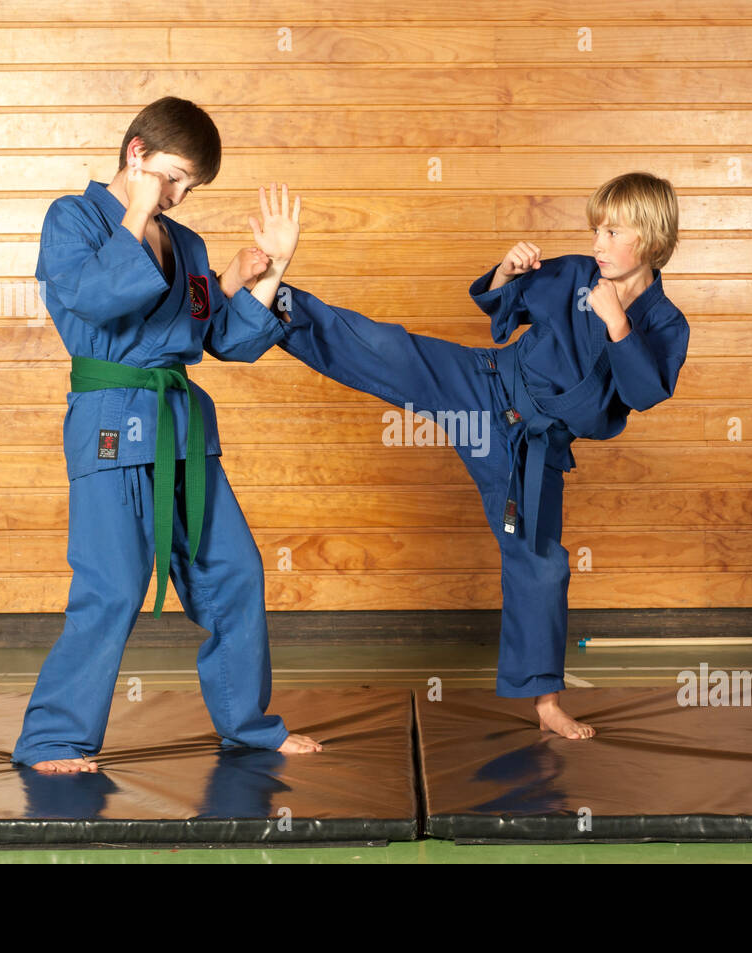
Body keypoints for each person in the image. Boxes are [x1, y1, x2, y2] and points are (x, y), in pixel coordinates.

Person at [273, 172, 690, 739]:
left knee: (542, 566)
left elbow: (643, 392)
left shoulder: (664, 322)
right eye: (597, 230)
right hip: (485, 387)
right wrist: (507, 271)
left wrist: (616, 320)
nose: (597, 243)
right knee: (392, 349)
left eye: (612, 231)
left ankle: (544, 704)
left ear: (648, 235)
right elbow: (500, 308)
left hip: (531, 450)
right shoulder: (573, 273)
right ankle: (276, 307)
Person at [11, 96, 322, 773]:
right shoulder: (74, 218)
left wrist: (269, 275)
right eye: (174, 177)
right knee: (115, 584)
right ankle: (53, 740)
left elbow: (223, 341)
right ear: (136, 154)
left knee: (234, 573)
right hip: (109, 426)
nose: (179, 195)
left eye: (190, 186)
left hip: (183, 429)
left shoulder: (188, 245)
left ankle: (249, 724)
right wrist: (135, 215)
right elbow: (94, 299)